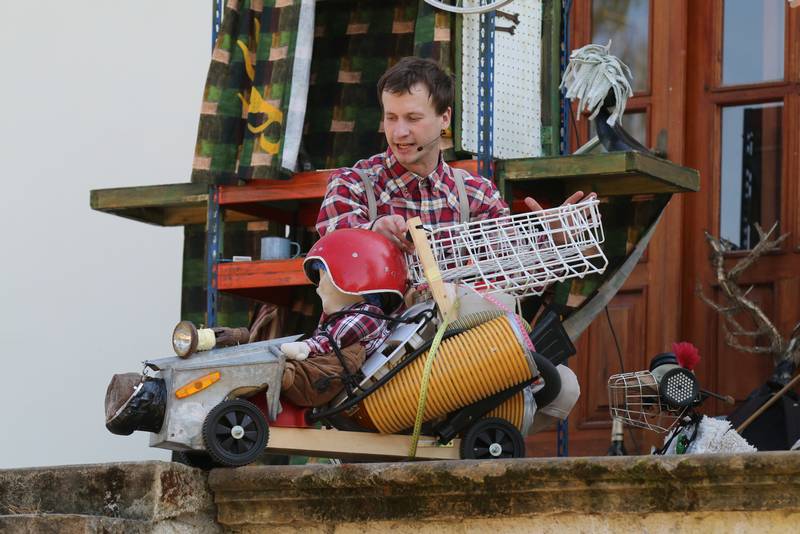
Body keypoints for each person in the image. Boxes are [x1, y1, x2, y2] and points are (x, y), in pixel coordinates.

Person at [315, 56, 592, 250]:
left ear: (445, 118)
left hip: (457, 322)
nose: (399, 132)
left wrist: (556, 239)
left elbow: (511, 271)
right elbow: (330, 245)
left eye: (413, 118)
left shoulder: (477, 195)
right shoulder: (352, 184)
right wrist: (371, 232)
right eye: (391, 118)